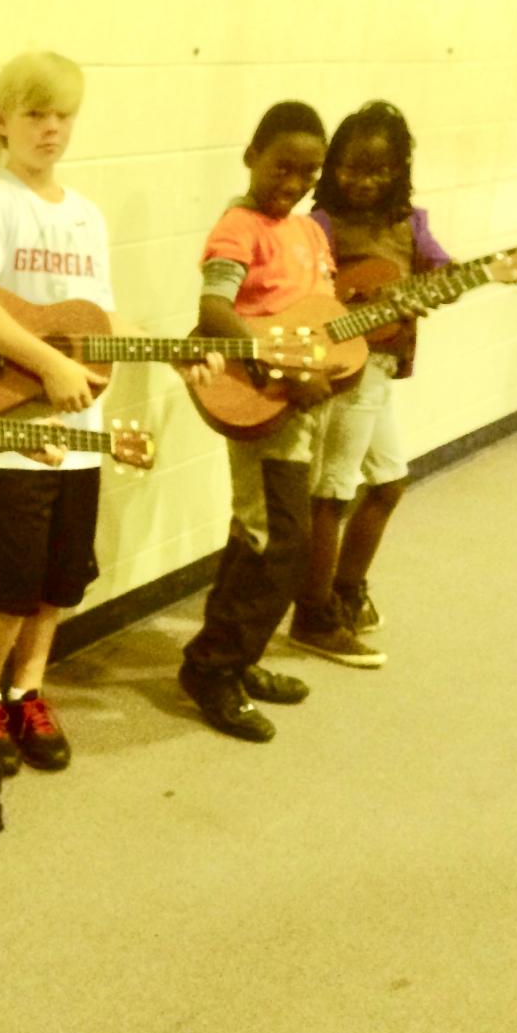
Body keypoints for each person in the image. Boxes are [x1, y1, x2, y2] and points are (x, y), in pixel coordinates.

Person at [0, 50, 112, 775]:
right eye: (36, 114)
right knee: (8, 585)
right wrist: (47, 363)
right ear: (2, 122)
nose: (51, 128)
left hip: (80, 435)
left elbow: (96, 322)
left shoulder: (87, 217)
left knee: (58, 582)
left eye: (62, 115)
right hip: (12, 436)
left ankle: (27, 688)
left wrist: (178, 355)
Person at [178, 100, 348, 741]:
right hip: (259, 397)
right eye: (282, 167)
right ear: (252, 155)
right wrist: (284, 367)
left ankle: (234, 659)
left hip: (300, 406)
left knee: (262, 536)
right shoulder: (238, 227)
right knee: (278, 541)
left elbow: (319, 311)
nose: (293, 183)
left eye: (308, 173)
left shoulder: (309, 232)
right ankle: (213, 668)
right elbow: (216, 311)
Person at [291, 100, 453, 657]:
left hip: (382, 369)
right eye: (353, 168)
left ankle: (346, 588)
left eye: (380, 170)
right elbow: (303, 298)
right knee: (333, 489)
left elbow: (443, 269)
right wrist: (356, 303)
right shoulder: (320, 226)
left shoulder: (411, 226)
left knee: (387, 484)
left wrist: (444, 285)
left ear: (399, 171)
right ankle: (312, 614)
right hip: (346, 369)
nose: (365, 181)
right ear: (334, 165)